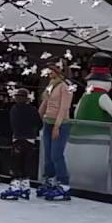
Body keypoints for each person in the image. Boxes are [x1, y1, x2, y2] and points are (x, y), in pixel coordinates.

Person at [37, 63, 74, 201]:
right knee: (48, 155)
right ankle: (50, 180)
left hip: (60, 124)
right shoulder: (51, 85)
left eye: (51, 71)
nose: (49, 73)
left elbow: (64, 108)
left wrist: (57, 126)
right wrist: (38, 117)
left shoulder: (66, 87)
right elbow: (45, 103)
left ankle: (64, 184)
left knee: (56, 155)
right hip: (48, 122)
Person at [1, 88, 41, 201]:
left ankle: (15, 188)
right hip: (30, 140)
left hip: (18, 139)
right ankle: (25, 188)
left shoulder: (14, 110)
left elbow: (12, 124)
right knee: (26, 163)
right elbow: (39, 123)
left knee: (16, 164)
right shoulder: (33, 110)